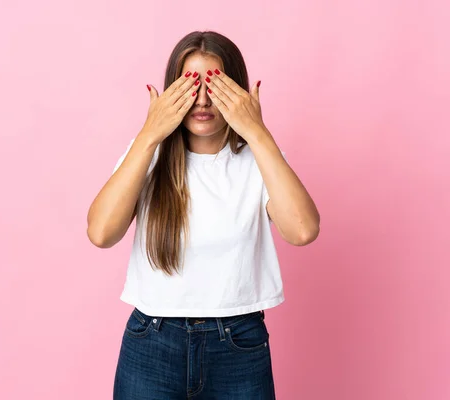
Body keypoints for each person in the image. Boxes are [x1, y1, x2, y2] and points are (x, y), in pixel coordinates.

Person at [87, 30, 320, 400]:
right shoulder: (147, 155)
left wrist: (257, 132)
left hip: (239, 345)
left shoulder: (259, 159)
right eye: (189, 87)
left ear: (238, 91)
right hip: (153, 342)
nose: (201, 101)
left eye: (215, 86)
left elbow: (303, 230)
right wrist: (150, 134)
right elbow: (101, 233)